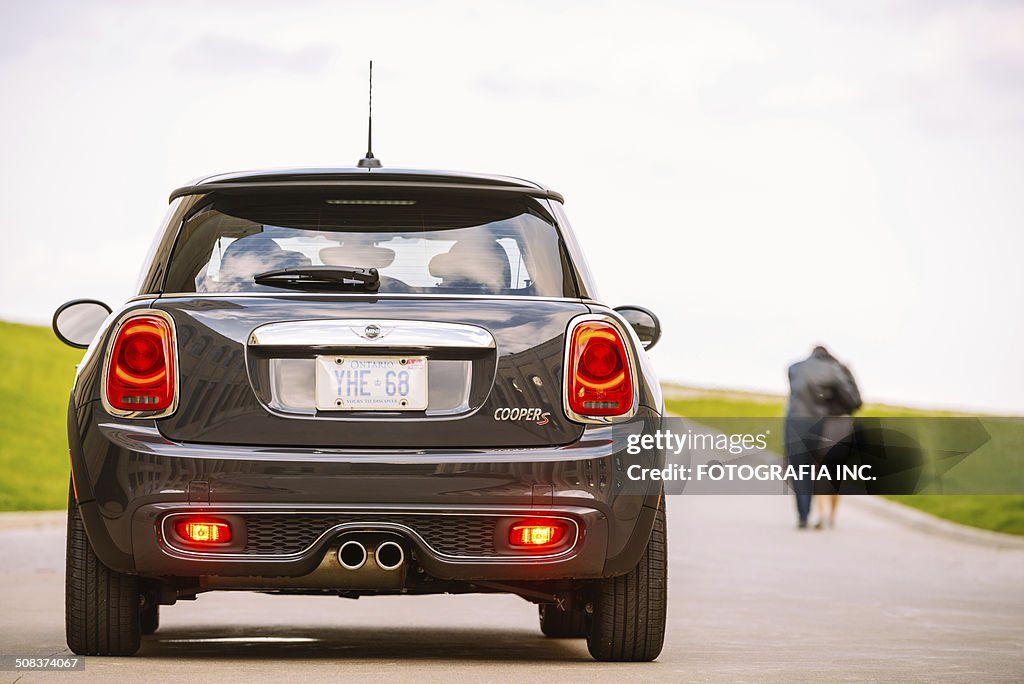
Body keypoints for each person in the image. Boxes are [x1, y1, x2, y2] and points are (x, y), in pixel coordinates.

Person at [784, 345, 862, 529]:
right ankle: (829, 516)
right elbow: (854, 401)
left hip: (799, 422)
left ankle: (808, 515)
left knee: (806, 470)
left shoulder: (795, 368)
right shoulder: (836, 370)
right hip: (828, 424)